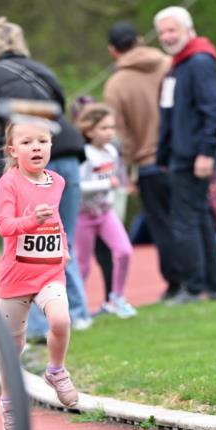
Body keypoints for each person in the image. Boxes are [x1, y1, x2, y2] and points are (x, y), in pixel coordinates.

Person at [0, 18, 93, 336]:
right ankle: (78, 314)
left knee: (25, 244)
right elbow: (59, 110)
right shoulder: (44, 72)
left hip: (26, 161)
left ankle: (37, 325)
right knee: (61, 238)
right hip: (65, 151)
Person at [0, 118, 78, 430]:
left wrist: (63, 246)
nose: (36, 147)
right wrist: (31, 220)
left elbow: (55, 219)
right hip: (16, 276)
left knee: (60, 320)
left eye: (42, 141)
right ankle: (8, 401)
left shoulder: (57, 181)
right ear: (13, 151)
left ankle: (56, 370)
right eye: (27, 142)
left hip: (49, 270)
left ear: (51, 146)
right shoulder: (9, 183)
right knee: (13, 345)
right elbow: (4, 226)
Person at [154, 6, 216, 303]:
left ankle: (194, 288)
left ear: (188, 30)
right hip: (181, 154)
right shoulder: (180, 64)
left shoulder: (198, 61)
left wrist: (206, 151)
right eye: (162, 32)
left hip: (193, 156)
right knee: (198, 218)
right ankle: (214, 285)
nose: (167, 37)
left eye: (172, 30)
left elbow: (214, 110)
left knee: (185, 221)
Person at [103, 21, 180, 300]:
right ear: (141, 40)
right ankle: (203, 279)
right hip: (183, 157)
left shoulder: (116, 84)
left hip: (149, 164)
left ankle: (176, 283)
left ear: (113, 51)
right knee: (191, 221)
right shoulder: (170, 65)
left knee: (162, 226)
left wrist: (126, 173)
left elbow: (120, 136)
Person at [74, 103, 137, 319]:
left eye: (112, 127)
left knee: (125, 251)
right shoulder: (83, 154)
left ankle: (117, 298)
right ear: (89, 130)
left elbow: (116, 178)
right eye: (104, 128)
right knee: (82, 265)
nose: (110, 132)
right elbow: (76, 186)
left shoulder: (111, 152)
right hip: (83, 216)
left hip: (105, 213)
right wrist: (105, 185)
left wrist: (114, 190)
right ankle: (76, 308)